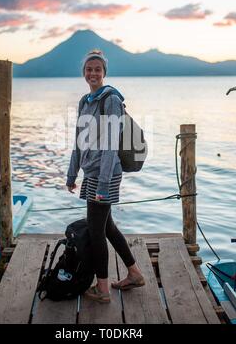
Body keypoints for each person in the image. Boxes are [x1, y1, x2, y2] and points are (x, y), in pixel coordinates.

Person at [66, 50, 145, 303]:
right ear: (84, 72)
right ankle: (134, 273)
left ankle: (102, 289)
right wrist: (72, 173)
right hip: (91, 173)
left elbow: (111, 146)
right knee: (107, 226)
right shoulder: (84, 101)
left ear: (104, 73)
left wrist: (101, 184)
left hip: (106, 175)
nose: (93, 73)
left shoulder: (110, 100)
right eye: (89, 69)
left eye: (97, 69)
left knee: (96, 230)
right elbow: (79, 141)